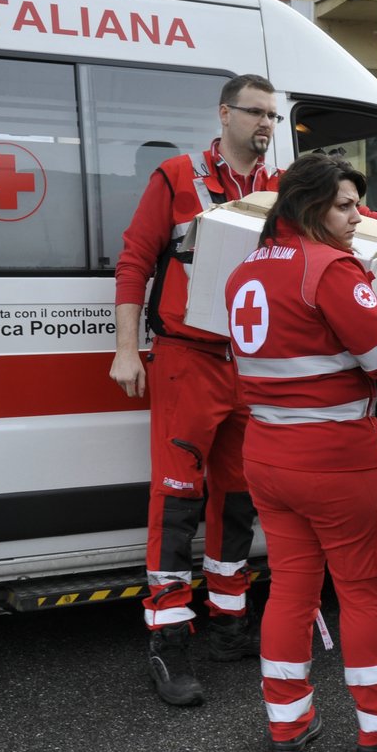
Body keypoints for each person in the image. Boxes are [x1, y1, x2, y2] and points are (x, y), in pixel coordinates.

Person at [224, 153, 377, 752]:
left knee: (292, 586)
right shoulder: (330, 269)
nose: (357, 218)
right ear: (308, 206)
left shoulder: (244, 271)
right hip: (335, 459)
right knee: (363, 592)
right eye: (345, 206)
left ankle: (287, 721)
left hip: (267, 453)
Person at [111, 74, 283, 705]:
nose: (266, 124)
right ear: (225, 115)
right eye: (256, 112)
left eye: (273, 115)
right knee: (177, 500)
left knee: (237, 497)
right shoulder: (178, 177)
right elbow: (134, 261)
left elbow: (350, 225)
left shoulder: (280, 188)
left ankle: (229, 625)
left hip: (250, 361)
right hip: (186, 358)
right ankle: (169, 642)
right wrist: (127, 349)